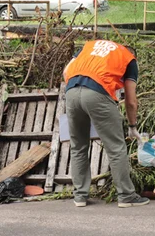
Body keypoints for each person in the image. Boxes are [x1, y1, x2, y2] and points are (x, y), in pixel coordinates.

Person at [63, 40, 149, 208]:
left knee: (78, 146)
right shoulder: (129, 59)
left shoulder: (88, 46)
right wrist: (132, 126)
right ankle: (126, 195)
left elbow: (66, 72)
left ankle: (80, 196)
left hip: (72, 91)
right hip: (97, 93)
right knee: (116, 147)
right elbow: (131, 101)